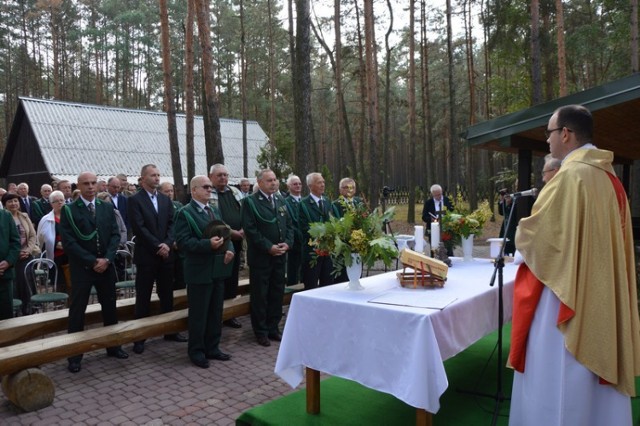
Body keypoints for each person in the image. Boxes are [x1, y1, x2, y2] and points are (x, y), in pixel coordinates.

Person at [508, 105, 640, 425]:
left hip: (565, 296)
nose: (549, 141)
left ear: (565, 134)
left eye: (550, 134)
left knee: (560, 378)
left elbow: (538, 237)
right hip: (604, 294)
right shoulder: (611, 181)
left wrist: (521, 233)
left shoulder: (570, 176)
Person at [60, 171, 128, 373]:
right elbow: (69, 242)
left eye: (93, 183)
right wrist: (92, 261)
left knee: (110, 306)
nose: (90, 187)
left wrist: (107, 259)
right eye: (86, 183)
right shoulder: (69, 210)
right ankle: (75, 355)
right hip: (82, 268)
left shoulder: (106, 207)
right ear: (78, 186)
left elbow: (115, 235)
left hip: (106, 266)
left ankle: (113, 346)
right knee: (77, 311)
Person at [175, 175, 235, 368]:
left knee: (215, 311)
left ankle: (213, 347)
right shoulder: (185, 213)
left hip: (217, 269)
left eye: (210, 187)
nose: (210, 190)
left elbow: (226, 234)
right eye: (206, 187)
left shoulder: (213, 210)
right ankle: (197, 351)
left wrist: (230, 251)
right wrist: (206, 244)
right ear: (194, 190)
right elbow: (183, 242)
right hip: (198, 271)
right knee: (199, 314)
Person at [128, 165, 186, 354]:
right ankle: (140, 337)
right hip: (147, 256)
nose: (157, 178)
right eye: (153, 175)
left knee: (167, 294)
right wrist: (157, 246)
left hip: (166, 255)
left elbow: (172, 224)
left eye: (158, 175)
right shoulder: (135, 200)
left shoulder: (164, 199)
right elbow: (139, 227)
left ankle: (169, 331)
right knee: (143, 296)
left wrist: (167, 244)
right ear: (142, 178)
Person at [242, 169, 293, 347]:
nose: (274, 183)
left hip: (279, 255)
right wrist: (268, 247)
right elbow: (250, 230)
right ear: (260, 182)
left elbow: (289, 225)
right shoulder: (250, 202)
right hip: (262, 258)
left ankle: (273, 328)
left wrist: (288, 243)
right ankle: (261, 331)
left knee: (276, 293)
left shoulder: (280, 200)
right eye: (269, 180)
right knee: (260, 295)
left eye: (275, 180)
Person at [209, 163, 244, 328]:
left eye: (225, 175)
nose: (223, 178)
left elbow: (245, 211)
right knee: (221, 279)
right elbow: (214, 219)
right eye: (219, 175)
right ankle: (218, 314)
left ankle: (230, 314)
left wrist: (243, 229)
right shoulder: (209, 193)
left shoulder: (235, 192)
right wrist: (231, 232)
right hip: (220, 244)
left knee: (233, 278)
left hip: (237, 243)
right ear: (211, 177)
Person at [2, 193, 40, 315]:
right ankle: (17, 310)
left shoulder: (24, 216)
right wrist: (14, 254)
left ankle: (29, 308)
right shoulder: (4, 217)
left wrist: (28, 250)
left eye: (15, 201)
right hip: (11, 258)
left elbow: (33, 235)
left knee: (27, 282)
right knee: (16, 285)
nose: (13, 203)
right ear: (4, 204)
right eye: (10, 201)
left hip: (26, 255)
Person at [299, 172, 333, 290]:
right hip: (312, 250)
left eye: (323, 182)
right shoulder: (303, 203)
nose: (322, 185)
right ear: (310, 185)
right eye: (319, 182)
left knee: (328, 284)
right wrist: (320, 236)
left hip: (328, 250)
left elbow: (332, 221)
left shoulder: (327, 202)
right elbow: (303, 227)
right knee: (311, 284)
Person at [37, 190, 70, 293]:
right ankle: (61, 302)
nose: (60, 202)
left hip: (71, 254)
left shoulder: (71, 216)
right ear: (51, 204)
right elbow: (41, 239)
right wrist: (56, 244)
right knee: (60, 283)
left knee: (73, 283)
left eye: (61, 200)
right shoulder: (45, 219)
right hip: (55, 256)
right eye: (56, 201)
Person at [159, 182, 185, 290]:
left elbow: (182, 224)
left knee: (181, 276)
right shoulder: (158, 206)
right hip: (166, 246)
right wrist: (171, 241)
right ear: (160, 192)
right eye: (166, 191)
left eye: (171, 191)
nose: (170, 193)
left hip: (180, 246)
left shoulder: (178, 205)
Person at [422, 184, 454, 255]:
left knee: (448, 249)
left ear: (441, 191)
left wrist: (448, 218)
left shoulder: (448, 201)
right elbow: (424, 217)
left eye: (439, 194)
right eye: (436, 195)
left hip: (446, 228)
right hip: (433, 229)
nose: (438, 197)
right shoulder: (428, 203)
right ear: (432, 194)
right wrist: (431, 219)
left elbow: (453, 213)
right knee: (434, 249)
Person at [0, 207, 20, 320]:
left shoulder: (5, 215)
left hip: (4, 276)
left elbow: (15, 242)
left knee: (6, 317)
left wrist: (8, 261)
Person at [284, 175, 303, 286]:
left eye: (299, 183)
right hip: (295, 241)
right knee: (293, 270)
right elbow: (291, 222)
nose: (298, 186)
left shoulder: (304, 201)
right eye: (295, 184)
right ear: (289, 186)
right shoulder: (286, 202)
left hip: (306, 241)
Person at [497, 191, 516, 256]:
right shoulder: (505, 202)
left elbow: (514, 212)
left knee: (511, 242)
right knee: (504, 242)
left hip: (513, 225)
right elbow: (501, 212)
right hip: (506, 225)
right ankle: (505, 254)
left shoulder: (515, 201)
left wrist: (509, 203)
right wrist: (502, 201)